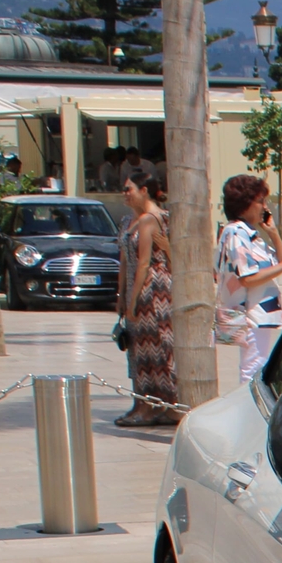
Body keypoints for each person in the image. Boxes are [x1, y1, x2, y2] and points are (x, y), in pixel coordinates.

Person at [215, 173, 282, 386]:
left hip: (259, 316)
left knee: (257, 366)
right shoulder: (237, 233)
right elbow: (247, 278)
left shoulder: (250, 235)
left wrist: (273, 233)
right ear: (245, 204)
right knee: (253, 370)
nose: (264, 207)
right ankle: (250, 414)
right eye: (260, 201)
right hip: (250, 316)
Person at [117, 173, 177, 427]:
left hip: (151, 290)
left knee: (154, 346)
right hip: (134, 288)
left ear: (144, 190)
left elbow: (144, 263)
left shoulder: (153, 219)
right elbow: (124, 262)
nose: (125, 193)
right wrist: (121, 296)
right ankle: (141, 402)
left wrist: (133, 301)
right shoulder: (127, 221)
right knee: (136, 349)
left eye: (129, 189)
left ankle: (157, 404)